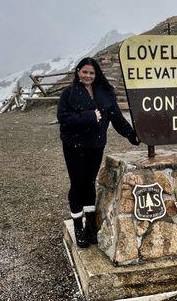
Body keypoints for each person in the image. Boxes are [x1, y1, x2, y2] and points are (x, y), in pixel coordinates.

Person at [57, 57, 140, 248]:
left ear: (96, 74)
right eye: (84, 72)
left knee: (88, 183)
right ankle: (78, 226)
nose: (88, 76)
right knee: (77, 184)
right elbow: (63, 118)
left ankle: (91, 226)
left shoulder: (105, 93)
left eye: (91, 73)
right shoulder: (68, 94)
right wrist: (89, 116)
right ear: (78, 72)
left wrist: (132, 135)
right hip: (74, 146)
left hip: (96, 146)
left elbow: (117, 118)